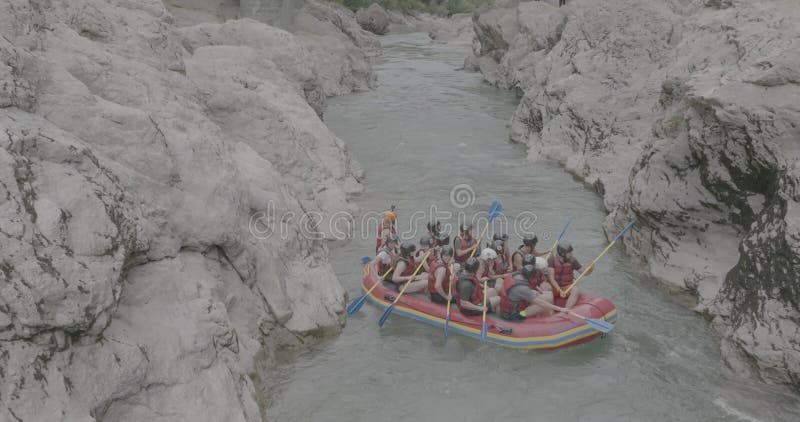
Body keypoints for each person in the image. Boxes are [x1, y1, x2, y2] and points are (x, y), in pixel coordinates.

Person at [499, 265, 565, 321]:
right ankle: (547, 323)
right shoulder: (522, 288)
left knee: (535, 296)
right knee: (543, 307)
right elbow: (542, 303)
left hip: (506, 309)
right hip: (515, 315)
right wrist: (560, 309)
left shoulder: (514, 275)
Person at [548, 243, 593, 309]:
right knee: (546, 287)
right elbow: (551, 279)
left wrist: (590, 269)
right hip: (554, 287)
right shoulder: (551, 260)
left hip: (566, 287)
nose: (571, 254)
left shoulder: (572, 260)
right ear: (562, 254)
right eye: (569, 253)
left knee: (575, 290)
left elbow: (583, 273)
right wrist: (559, 290)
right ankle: (549, 310)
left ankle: (566, 310)